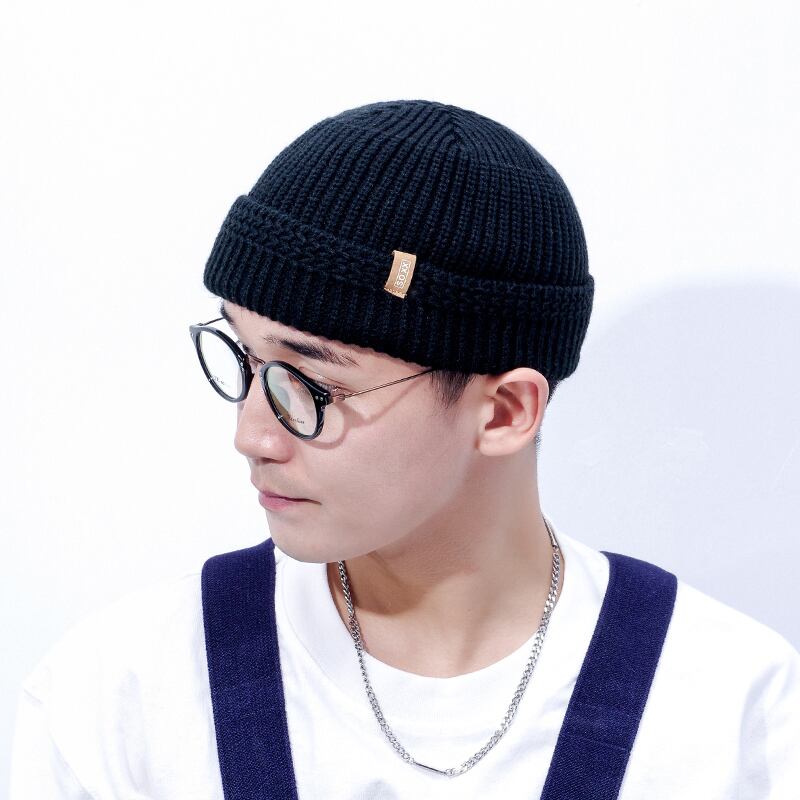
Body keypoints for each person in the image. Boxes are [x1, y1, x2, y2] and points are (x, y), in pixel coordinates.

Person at [9, 99, 799, 799]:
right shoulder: (127, 695)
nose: (251, 435)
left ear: (506, 412)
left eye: (311, 385)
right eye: (245, 361)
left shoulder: (730, 715)